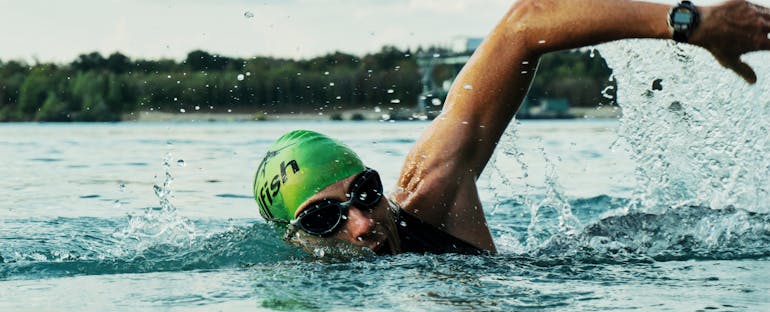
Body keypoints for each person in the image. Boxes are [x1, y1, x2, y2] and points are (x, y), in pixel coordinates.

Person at [254, 0, 770, 256]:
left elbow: (523, 25)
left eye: (365, 193)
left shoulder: (430, 192)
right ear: (294, 240)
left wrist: (689, 23)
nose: (363, 224)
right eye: (324, 219)